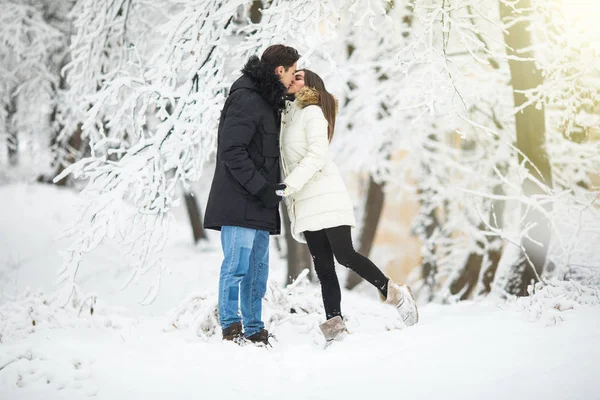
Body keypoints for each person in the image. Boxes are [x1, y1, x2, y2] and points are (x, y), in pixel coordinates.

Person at [281, 69, 419, 344]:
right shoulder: (290, 115)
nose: (292, 80)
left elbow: (318, 155)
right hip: (305, 200)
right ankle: (335, 327)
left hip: (326, 194)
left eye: (299, 77)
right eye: (291, 76)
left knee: (345, 255)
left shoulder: (313, 113)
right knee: (323, 268)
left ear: (310, 85)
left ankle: (394, 292)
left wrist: (288, 185)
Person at [204, 44, 299, 345]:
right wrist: (262, 189)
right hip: (238, 200)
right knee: (236, 267)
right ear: (279, 70)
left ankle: (255, 328)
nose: (294, 77)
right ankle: (231, 328)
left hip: (260, 203)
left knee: (258, 272)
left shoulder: (268, 100)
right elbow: (232, 151)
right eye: (293, 72)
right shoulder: (247, 97)